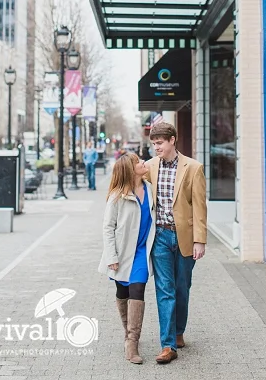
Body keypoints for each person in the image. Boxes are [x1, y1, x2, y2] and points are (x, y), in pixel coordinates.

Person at [145, 122, 207, 365]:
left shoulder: (193, 168)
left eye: (160, 143)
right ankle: (168, 344)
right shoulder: (149, 167)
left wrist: (199, 240)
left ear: (172, 140)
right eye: (154, 144)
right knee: (164, 290)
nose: (156, 147)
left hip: (184, 237)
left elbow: (200, 207)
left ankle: (179, 330)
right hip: (159, 236)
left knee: (182, 288)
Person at [98, 151, 155, 364]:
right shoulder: (117, 196)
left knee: (137, 289)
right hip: (122, 254)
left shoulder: (150, 189)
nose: (143, 162)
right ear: (130, 170)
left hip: (141, 252)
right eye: (138, 161)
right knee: (122, 291)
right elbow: (108, 228)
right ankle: (127, 332)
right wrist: (111, 256)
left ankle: (132, 342)